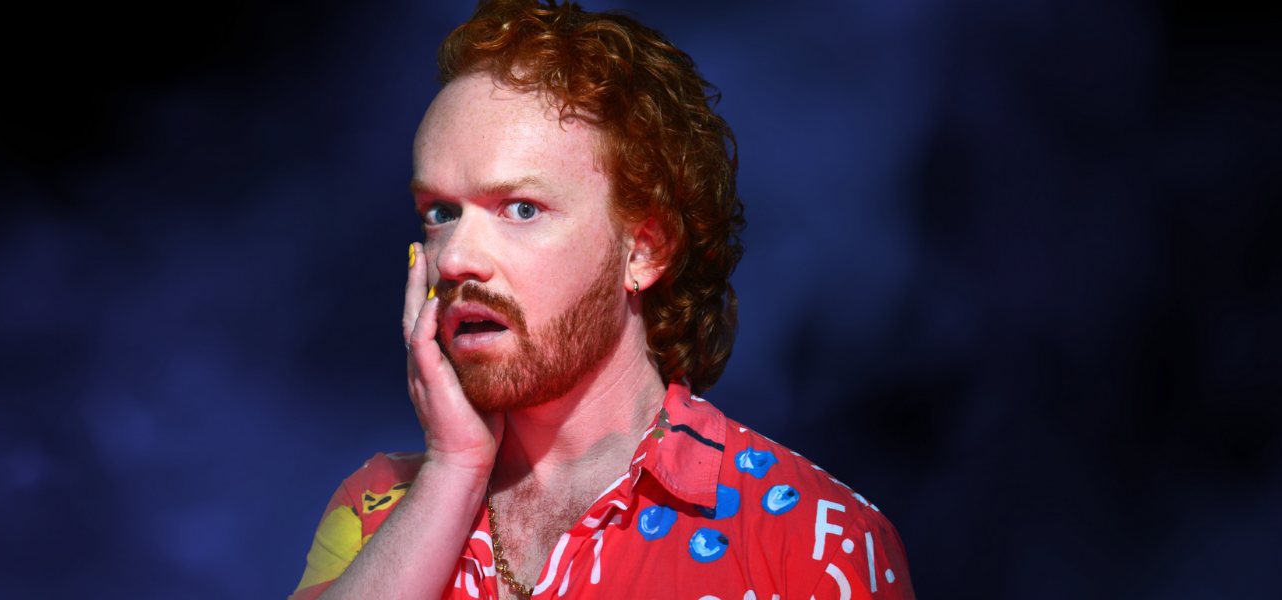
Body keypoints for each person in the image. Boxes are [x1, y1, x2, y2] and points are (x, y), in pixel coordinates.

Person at [289, 1, 914, 598]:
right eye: (441, 212)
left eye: (522, 209)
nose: (453, 259)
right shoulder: (376, 505)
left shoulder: (811, 539)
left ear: (643, 250)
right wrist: (453, 469)